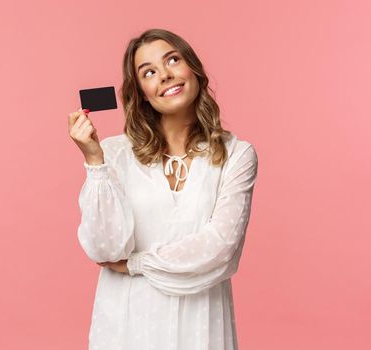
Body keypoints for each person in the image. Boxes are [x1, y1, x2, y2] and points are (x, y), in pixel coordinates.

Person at [67, 28, 259, 349]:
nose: (166, 76)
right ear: (142, 91)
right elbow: (105, 250)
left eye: (173, 60)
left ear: (193, 69)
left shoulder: (236, 155)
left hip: (200, 327)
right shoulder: (115, 153)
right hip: (128, 325)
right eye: (150, 72)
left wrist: (136, 264)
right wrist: (94, 161)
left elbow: (221, 247)